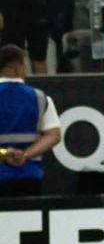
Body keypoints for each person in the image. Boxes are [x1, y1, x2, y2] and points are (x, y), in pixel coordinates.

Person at [0, 45, 61, 197]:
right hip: (29, 176)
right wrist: (26, 154)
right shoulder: (41, 98)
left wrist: (4, 153)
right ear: (18, 67)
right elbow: (54, 135)